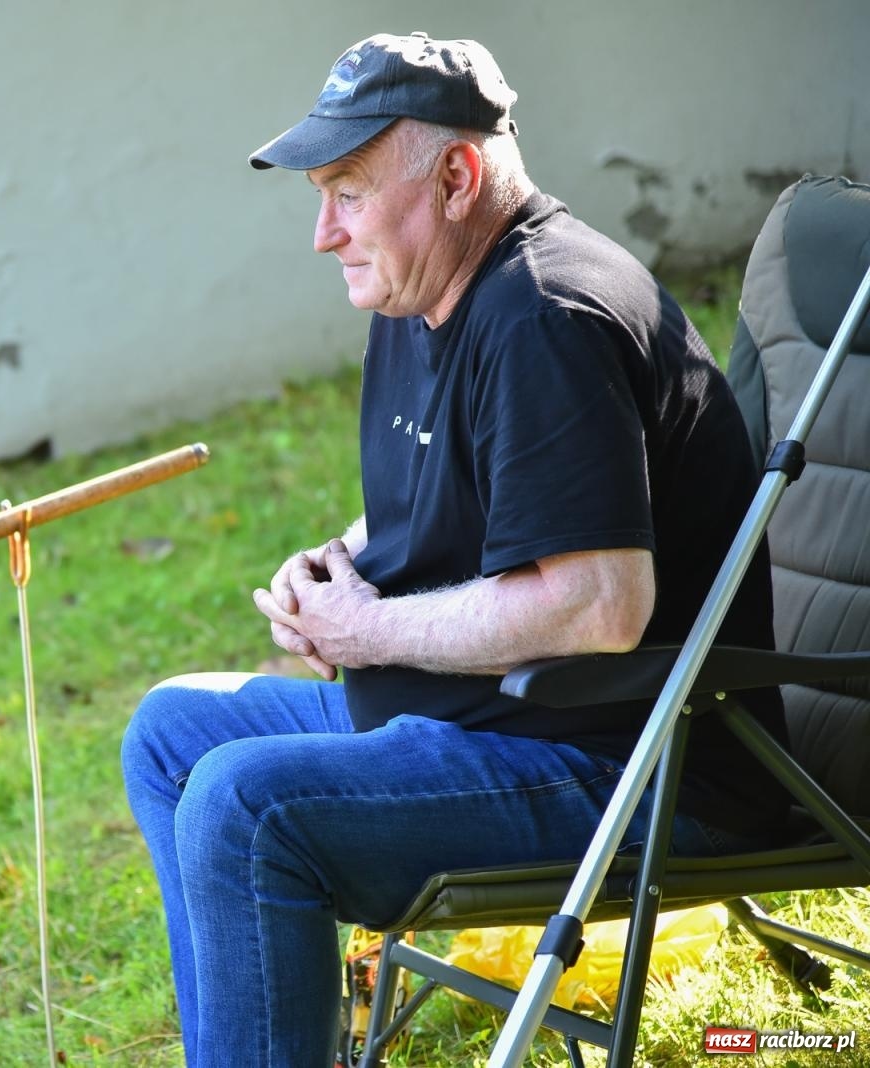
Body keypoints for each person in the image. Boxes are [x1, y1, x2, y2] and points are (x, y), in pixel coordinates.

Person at [120, 31, 792, 1067]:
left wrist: (370, 626)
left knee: (242, 806)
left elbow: (598, 604)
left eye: (345, 191)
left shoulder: (545, 317)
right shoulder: (422, 287)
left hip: (626, 769)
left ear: (456, 175)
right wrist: (333, 569)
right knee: (170, 733)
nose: (321, 233)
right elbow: (452, 488)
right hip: (478, 726)